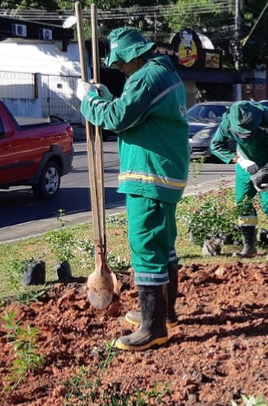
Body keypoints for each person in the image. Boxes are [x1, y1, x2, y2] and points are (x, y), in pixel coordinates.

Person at [78, 26, 189, 352]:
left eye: (121, 63)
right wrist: (104, 97)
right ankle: (164, 313)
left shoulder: (148, 77)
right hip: (163, 174)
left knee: (146, 248)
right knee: (163, 246)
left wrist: (89, 99)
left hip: (149, 176)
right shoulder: (164, 74)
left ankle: (153, 329)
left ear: (134, 55)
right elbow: (135, 112)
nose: (121, 69)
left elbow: (118, 118)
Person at [209, 100, 268, 261]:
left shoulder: (266, 117)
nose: (245, 135)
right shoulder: (227, 121)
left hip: (267, 165)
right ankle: (249, 248)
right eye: (241, 132)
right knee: (243, 204)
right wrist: (239, 160)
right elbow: (216, 146)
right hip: (245, 167)